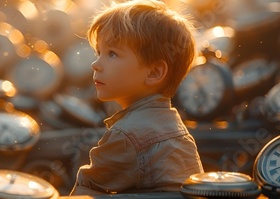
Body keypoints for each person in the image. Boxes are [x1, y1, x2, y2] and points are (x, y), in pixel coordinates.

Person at [70, 0, 204, 195]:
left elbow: (84, 193)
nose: (95, 64)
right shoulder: (174, 127)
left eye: (112, 54)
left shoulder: (126, 136)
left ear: (154, 73)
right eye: (99, 52)